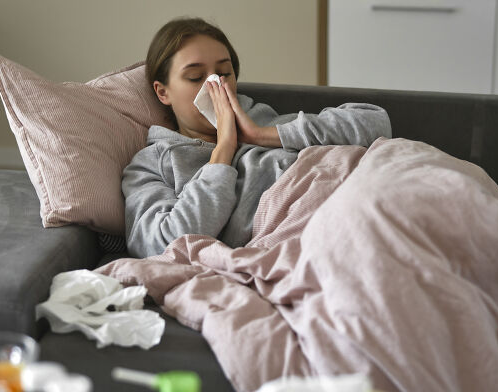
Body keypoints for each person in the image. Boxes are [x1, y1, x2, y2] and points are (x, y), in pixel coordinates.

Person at [123, 17, 392, 258]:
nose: (213, 86)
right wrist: (222, 154)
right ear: (162, 92)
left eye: (224, 74)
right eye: (195, 77)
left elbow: (376, 123)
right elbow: (164, 245)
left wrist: (261, 134)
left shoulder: (263, 119)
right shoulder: (152, 164)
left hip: (365, 187)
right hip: (312, 229)